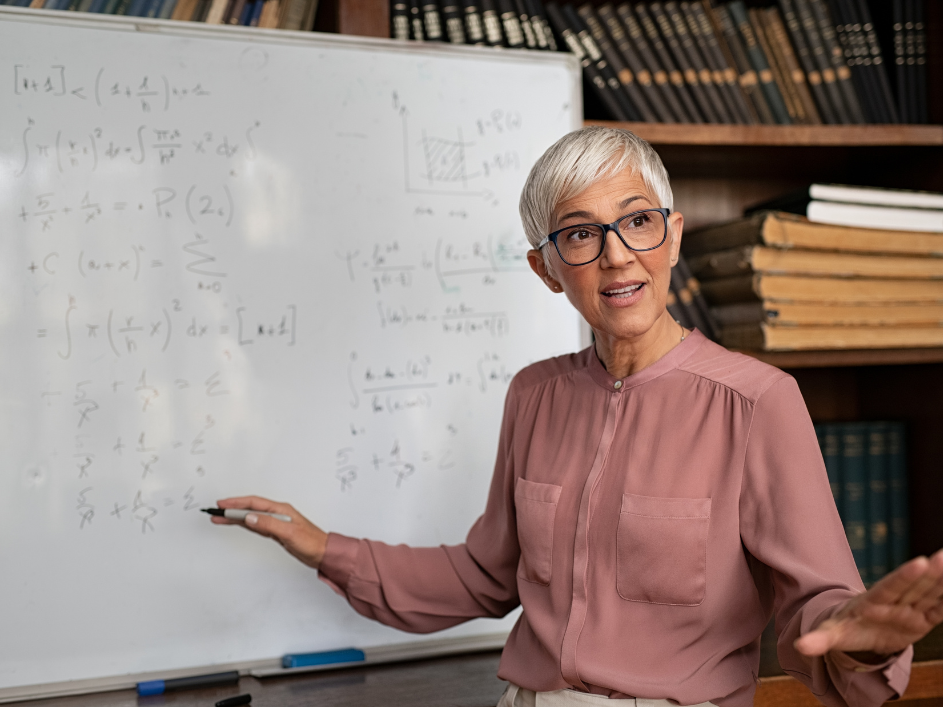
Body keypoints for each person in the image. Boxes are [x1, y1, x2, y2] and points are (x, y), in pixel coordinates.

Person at [210, 127, 943, 707]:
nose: (618, 257)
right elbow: (482, 576)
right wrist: (320, 545)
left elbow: (818, 602)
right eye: (581, 234)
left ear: (673, 234)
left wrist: (863, 640)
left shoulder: (756, 399)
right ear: (547, 267)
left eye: (637, 222)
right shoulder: (533, 393)